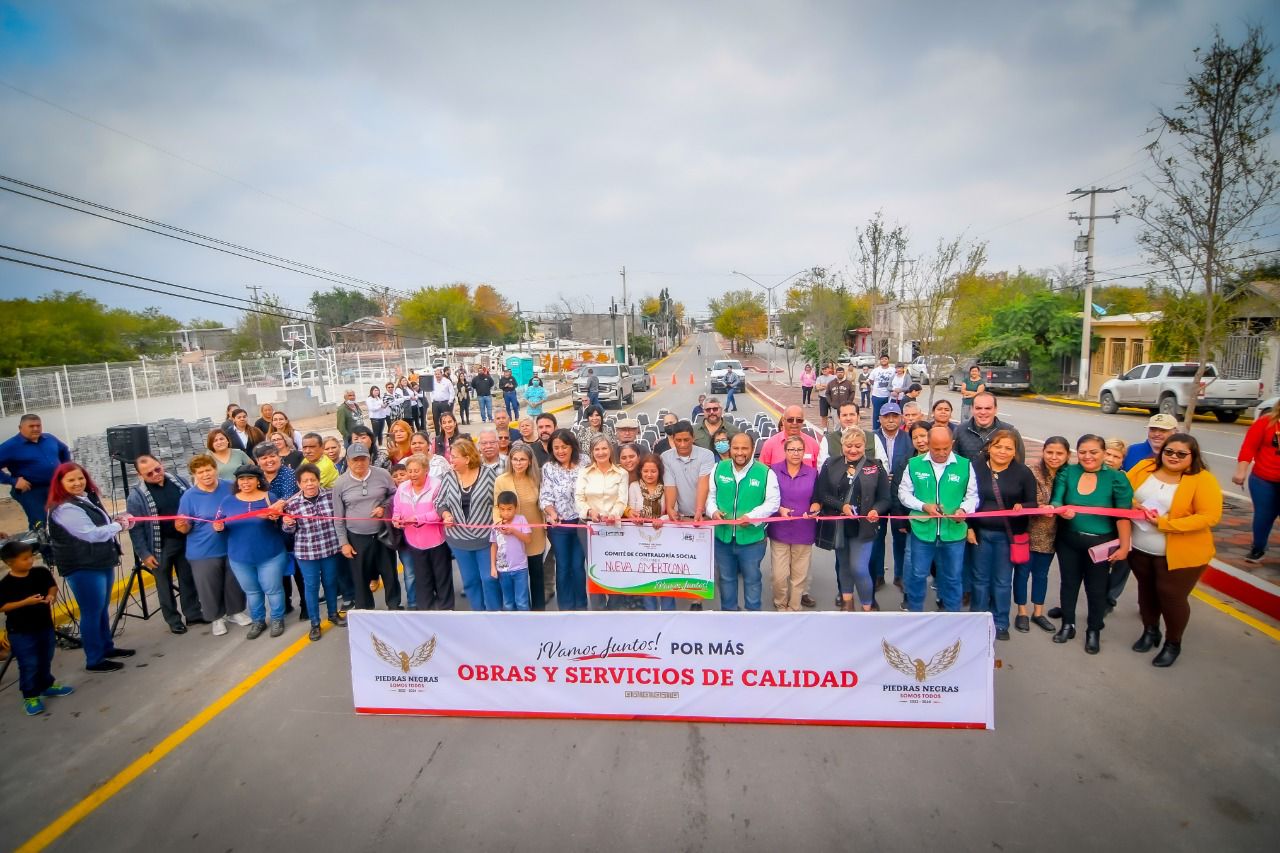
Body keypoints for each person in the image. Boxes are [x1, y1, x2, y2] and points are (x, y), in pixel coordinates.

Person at [1126, 433, 1223, 667]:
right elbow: (1122, 491)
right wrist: (1134, 504)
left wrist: (1165, 524)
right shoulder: (1144, 467)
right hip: (1139, 548)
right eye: (1169, 451)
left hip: (1181, 554)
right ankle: (1151, 631)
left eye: (1181, 453)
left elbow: (1210, 516)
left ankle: (1173, 643)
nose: (1173, 457)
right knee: (1146, 591)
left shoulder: (1202, 479)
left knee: (1172, 597)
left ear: (1193, 456)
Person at [46, 462, 135, 671]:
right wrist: (119, 525)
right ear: (60, 483)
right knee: (91, 612)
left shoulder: (84, 499)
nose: (78, 483)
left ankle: (106, 647)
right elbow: (91, 534)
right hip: (83, 566)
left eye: (80, 478)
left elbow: (97, 526)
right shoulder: (65, 507)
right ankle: (94, 659)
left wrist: (114, 522)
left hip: (100, 561)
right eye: (71, 480)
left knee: (101, 609)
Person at [1051, 434, 1134, 654]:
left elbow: (1123, 515)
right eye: (1083, 452)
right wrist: (1060, 509)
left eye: (1094, 452)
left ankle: (1093, 630)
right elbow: (1057, 499)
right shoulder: (1068, 472)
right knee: (1069, 583)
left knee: (1096, 588)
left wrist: (1124, 546)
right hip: (1068, 539)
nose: (1088, 457)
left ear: (1104, 453)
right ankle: (1068, 624)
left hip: (1100, 544)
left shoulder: (1117, 479)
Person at [898, 427, 979, 613]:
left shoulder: (965, 465)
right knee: (917, 575)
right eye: (936, 449)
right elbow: (903, 493)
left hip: (953, 533)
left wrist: (963, 509)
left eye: (945, 448)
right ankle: (915, 614)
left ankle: (952, 618)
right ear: (928, 445)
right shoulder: (914, 464)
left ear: (952, 444)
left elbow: (972, 496)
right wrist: (923, 506)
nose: (941, 453)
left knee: (952, 577)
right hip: (922, 532)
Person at [968, 430, 1038, 641]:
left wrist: (1021, 506)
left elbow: (1033, 503)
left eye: (1008, 448)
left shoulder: (1023, 473)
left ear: (1015, 452)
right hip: (980, 534)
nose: (1002, 452)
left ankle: (1000, 622)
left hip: (1007, 537)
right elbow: (969, 499)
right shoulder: (976, 467)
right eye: (998, 446)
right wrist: (969, 527)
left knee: (1002, 581)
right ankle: (977, 619)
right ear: (990, 447)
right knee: (979, 579)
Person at [813, 426, 889, 611]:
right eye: (848, 445)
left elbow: (885, 499)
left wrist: (876, 511)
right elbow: (822, 494)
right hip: (839, 526)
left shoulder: (876, 466)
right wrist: (842, 506)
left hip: (864, 527)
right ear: (842, 445)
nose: (853, 450)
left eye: (858, 445)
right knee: (844, 567)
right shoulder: (830, 464)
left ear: (865, 446)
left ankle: (867, 607)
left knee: (859, 568)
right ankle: (847, 604)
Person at [126, 455, 202, 634]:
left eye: (157, 469)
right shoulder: (136, 497)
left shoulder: (179, 482)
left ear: (162, 464)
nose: (155, 474)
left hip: (184, 539)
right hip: (160, 545)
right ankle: (173, 619)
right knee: (164, 584)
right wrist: (144, 553)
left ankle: (193, 613)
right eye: (149, 473)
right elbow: (135, 529)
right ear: (140, 475)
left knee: (187, 578)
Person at [175, 455, 250, 636]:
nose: (205, 474)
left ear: (215, 469)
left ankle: (236, 611)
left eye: (208, 469)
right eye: (200, 472)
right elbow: (184, 527)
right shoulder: (189, 497)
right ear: (194, 475)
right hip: (203, 550)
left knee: (234, 581)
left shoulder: (229, 487)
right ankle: (216, 617)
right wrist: (181, 525)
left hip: (231, 544)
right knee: (209, 586)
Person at [213, 464, 289, 639]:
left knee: (273, 589)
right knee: (252, 591)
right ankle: (258, 621)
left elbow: (283, 522)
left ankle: (277, 619)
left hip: (270, 554)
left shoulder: (270, 498)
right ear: (237, 482)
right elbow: (219, 523)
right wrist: (218, 527)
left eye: (250, 478)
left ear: (258, 481)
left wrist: (275, 518)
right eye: (241, 479)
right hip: (240, 557)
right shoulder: (227, 501)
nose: (245, 482)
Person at [1, 539, 76, 715]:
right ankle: (30, 695)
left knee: (45, 657)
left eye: (31, 557)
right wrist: (24, 603)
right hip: (20, 631)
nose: (30, 561)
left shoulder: (40, 573)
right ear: (9, 562)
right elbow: (3, 606)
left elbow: (52, 587)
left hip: (44, 625)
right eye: (24, 559)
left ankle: (46, 684)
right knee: (28, 663)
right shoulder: (5, 584)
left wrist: (51, 596)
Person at [706, 432, 780, 611]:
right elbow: (711, 496)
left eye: (744, 448)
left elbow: (773, 502)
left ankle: (753, 615)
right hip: (722, 538)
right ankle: (729, 613)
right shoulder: (718, 468)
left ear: (752, 449)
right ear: (730, 449)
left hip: (752, 539)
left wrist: (752, 517)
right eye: (736, 448)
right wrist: (713, 511)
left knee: (752, 578)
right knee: (726, 578)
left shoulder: (766, 473)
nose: (740, 452)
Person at [333, 444, 400, 611]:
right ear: (347, 461)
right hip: (356, 536)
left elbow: (394, 494)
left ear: (369, 459)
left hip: (382, 533)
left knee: (389, 573)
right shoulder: (340, 483)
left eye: (363, 459)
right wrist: (344, 543)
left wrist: (384, 507)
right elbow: (338, 516)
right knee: (360, 576)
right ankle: (365, 610)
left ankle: (394, 606)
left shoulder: (383, 475)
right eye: (355, 460)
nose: (359, 463)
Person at [282, 464, 345, 642]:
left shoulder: (331, 496)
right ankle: (315, 623)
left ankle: (333, 614)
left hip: (330, 548)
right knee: (311, 587)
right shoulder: (292, 504)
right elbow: (288, 531)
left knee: (331, 582)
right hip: (306, 552)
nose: (309, 484)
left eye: (313, 480)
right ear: (299, 483)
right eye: (305, 481)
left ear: (318, 480)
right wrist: (289, 523)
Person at [391, 453, 452, 611]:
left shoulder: (437, 485)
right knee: (422, 580)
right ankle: (426, 612)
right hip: (414, 543)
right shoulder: (403, 488)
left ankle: (446, 611)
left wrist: (418, 519)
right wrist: (396, 519)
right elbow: (397, 508)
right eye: (409, 471)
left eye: (416, 471)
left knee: (442, 578)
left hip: (436, 541)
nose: (412, 475)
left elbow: (439, 512)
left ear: (426, 470)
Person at [1021, 436, 1069, 633]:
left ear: (1067, 455)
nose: (1054, 457)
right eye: (1049, 452)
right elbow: (1024, 498)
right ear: (1043, 452)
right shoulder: (1032, 472)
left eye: (1059, 453)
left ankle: (1038, 613)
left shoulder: (1068, 476)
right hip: (1028, 531)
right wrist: (1040, 507)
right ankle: (1021, 612)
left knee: (1041, 575)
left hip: (1052, 535)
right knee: (1022, 574)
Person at [576, 434, 630, 609]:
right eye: (597, 449)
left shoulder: (621, 473)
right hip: (589, 527)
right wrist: (590, 511)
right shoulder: (584, 472)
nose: (601, 452)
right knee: (594, 568)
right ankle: (597, 609)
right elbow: (579, 498)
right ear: (592, 452)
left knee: (614, 566)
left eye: (604, 448)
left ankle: (614, 607)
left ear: (610, 450)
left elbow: (622, 500)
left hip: (613, 527)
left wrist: (614, 514)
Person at [769, 435, 818, 611]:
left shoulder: (813, 473)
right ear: (785, 451)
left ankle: (794, 607)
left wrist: (815, 506)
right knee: (779, 575)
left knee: (799, 575)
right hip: (779, 530)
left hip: (804, 530)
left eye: (799, 450)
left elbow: (817, 498)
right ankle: (780, 604)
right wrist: (779, 509)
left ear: (804, 452)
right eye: (792, 449)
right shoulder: (773, 471)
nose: (796, 453)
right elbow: (766, 498)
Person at [495, 444, 547, 610]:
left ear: (530, 461)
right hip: (511, 536)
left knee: (536, 576)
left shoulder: (536, 479)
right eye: (515, 459)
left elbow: (543, 503)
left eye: (522, 459)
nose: (518, 463)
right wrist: (500, 523)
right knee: (517, 579)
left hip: (534, 536)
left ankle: (539, 612)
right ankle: (520, 614)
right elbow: (496, 506)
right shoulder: (501, 480)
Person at [541, 429, 588, 610]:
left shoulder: (585, 462)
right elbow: (545, 496)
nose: (560, 451)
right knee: (563, 567)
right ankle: (566, 608)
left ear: (572, 447)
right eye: (556, 448)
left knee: (577, 566)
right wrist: (551, 513)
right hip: (559, 525)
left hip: (581, 522)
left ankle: (581, 606)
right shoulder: (549, 468)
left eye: (564, 447)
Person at [0, 414, 72, 530]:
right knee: (42, 523)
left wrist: (66, 470)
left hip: (55, 486)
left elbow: (64, 450)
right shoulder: (10, 446)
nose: (35, 429)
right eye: (31, 426)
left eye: (38, 425)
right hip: (31, 491)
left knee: (65, 517)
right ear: (20, 428)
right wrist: (12, 481)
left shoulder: (49, 439)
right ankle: (44, 546)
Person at [626, 453, 677, 611]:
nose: (649, 475)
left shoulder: (667, 487)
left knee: (665, 577)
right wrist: (635, 517)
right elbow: (630, 508)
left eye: (653, 471)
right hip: (641, 539)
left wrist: (662, 518)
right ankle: (650, 613)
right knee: (646, 576)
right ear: (640, 471)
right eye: (646, 471)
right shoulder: (634, 487)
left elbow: (674, 510)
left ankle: (669, 613)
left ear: (659, 472)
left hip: (664, 539)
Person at [870, 401, 912, 589]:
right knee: (876, 537)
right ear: (879, 419)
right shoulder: (872, 438)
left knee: (900, 535)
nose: (891, 420)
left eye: (895, 416)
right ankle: (878, 574)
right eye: (886, 416)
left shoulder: (909, 439)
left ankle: (900, 575)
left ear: (900, 418)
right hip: (877, 495)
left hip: (899, 496)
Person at [1233, 399, 1280, 563]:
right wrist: (1241, 471)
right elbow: (1248, 448)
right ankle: (1258, 548)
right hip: (1263, 479)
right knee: (1264, 515)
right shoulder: (1265, 422)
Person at [490, 491, 533, 611]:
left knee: (522, 602)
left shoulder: (521, 520)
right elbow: (494, 546)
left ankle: (525, 626)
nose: (506, 513)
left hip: (520, 568)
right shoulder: (496, 525)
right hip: (503, 570)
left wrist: (514, 531)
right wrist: (493, 567)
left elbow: (528, 539)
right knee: (508, 602)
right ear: (498, 509)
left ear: (516, 508)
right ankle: (510, 627)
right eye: (502, 509)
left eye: (509, 509)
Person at [954, 393, 1025, 463]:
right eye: (978, 408)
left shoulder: (1011, 432)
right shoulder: (960, 431)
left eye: (988, 408)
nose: (983, 412)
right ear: (972, 409)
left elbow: (1019, 464)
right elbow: (953, 462)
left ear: (995, 409)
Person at [818, 402, 862, 468]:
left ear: (858, 417)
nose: (848, 418)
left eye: (852, 414)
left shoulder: (872, 438)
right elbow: (822, 467)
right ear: (839, 418)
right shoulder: (828, 440)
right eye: (844, 415)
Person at [867, 355, 895, 423]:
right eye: (882, 359)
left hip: (888, 396)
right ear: (880, 361)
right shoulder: (876, 370)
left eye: (885, 359)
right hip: (877, 396)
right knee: (876, 414)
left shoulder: (893, 370)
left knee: (887, 413)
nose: (884, 360)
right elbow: (871, 380)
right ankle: (876, 429)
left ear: (888, 360)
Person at [429, 368, 456, 433]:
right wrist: (432, 400)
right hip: (435, 403)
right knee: (435, 419)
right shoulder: (433, 382)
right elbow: (431, 392)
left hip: (445, 403)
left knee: (446, 418)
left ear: (441, 374)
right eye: (436, 374)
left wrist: (450, 401)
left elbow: (452, 392)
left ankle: (447, 432)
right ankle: (438, 434)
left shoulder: (447, 381)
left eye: (438, 374)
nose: (437, 375)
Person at [815, 364, 836, 429]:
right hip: (823, 398)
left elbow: (833, 386)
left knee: (834, 415)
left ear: (829, 369)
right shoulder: (819, 378)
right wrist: (827, 386)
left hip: (832, 398)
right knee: (824, 415)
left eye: (825, 369)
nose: (824, 370)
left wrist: (823, 385)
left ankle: (835, 428)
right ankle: (825, 429)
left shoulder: (834, 377)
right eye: (823, 369)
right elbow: (818, 388)